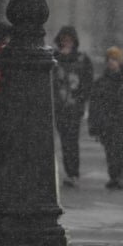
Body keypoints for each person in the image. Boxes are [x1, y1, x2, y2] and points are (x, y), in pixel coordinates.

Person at [88, 46, 123, 190]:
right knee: (111, 152)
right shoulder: (102, 82)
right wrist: (95, 124)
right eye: (109, 59)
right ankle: (114, 176)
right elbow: (95, 105)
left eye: (114, 59)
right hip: (108, 123)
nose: (111, 62)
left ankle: (119, 177)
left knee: (122, 152)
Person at [52, 25, 94, 188]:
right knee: (64, 140)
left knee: (72, 139)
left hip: (74, 107)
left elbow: (87, 82)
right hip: (60, 106)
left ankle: (73, 172)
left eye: (69, 40)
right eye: (64, 40)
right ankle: (70, 171)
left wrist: (81, 98)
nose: (66, 42)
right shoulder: (54, 59)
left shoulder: (82, 59)